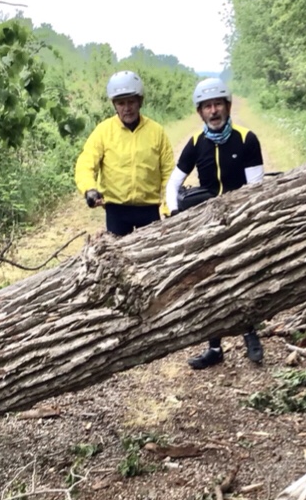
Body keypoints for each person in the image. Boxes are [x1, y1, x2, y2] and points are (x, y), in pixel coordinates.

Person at [166, 77, 266, 370]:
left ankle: (250, 333)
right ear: (200, 112)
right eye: (207, 106)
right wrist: (175, 213)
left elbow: (256, 189)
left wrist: (242, 221)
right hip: (206, 225)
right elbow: (173, 185)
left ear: (227, 106)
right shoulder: (197, 143)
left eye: (218, 104)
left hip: (238, 222)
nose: (213, 111)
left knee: (241, 278)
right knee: (208, 283)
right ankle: (214, 348)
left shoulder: (246, 139)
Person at [75, 70, 175, 236]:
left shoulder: (156, 131)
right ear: (114, 105)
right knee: (117, 252)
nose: (127, 108)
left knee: (153, 252)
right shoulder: (103, 131)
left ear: (140, 102)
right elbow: (86, 164)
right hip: (116, 211)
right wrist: (89, 189)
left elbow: (168, 172)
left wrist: (169, 207)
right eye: (121, 103)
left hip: (149, 210)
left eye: (131, 102)